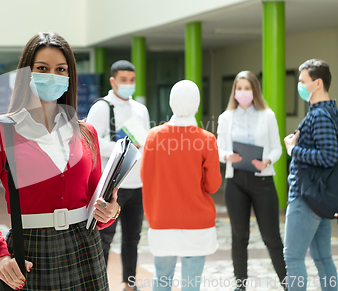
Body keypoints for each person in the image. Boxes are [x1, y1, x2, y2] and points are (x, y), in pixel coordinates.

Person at [0, 32, 120, 290]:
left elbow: (98, 203)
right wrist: (0, 255)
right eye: (42, 68)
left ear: (70, 76)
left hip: (85, 246)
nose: (53, 75)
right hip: (29, 252)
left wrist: (110, 212)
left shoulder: (86, 133)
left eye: (61, 69)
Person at [140, 80, 222, 291]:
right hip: (197, 221)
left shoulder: (154, 136)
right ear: (197, 105)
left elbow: (146, 177)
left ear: (170, 102)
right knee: (191, 283)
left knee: (162, 279)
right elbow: (213, 186)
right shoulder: (207, 139)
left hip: (162, 219)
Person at [217, 71, 287, 291]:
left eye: (247, 88)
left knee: (271, 237)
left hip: (262, 180)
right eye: (239, 88)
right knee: (239, 236)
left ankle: (287, 284)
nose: (243, 92)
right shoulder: (225, 117)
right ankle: (241, 285)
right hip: (235, 180)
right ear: (234, 91)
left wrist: (267, 160)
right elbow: (219, 148)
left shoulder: (268, 115)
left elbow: (277, 147)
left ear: (255, 90)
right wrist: (227, 155)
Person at [86, 60, 150, 291]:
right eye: (124, 80)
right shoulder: (102, 107)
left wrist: (140, 147)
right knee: (104, 239)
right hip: (111, 185)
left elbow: (145, 145)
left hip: (137, 183)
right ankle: (99, 285)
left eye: (131, 81)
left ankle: (130, 284)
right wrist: (122, 146)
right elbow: (90, 140)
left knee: (132, 239)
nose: (128, 85)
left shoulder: (140, 109)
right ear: (113, 81)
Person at [283, 59, 338, 291]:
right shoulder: (328, 112)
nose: (299, 86)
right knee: (322, 257)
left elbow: (329, 155)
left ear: (317, 83)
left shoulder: (320, 115)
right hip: (319, 196)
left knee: (293, 257)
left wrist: (293, 150)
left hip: (306, 197)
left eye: (302, 82)